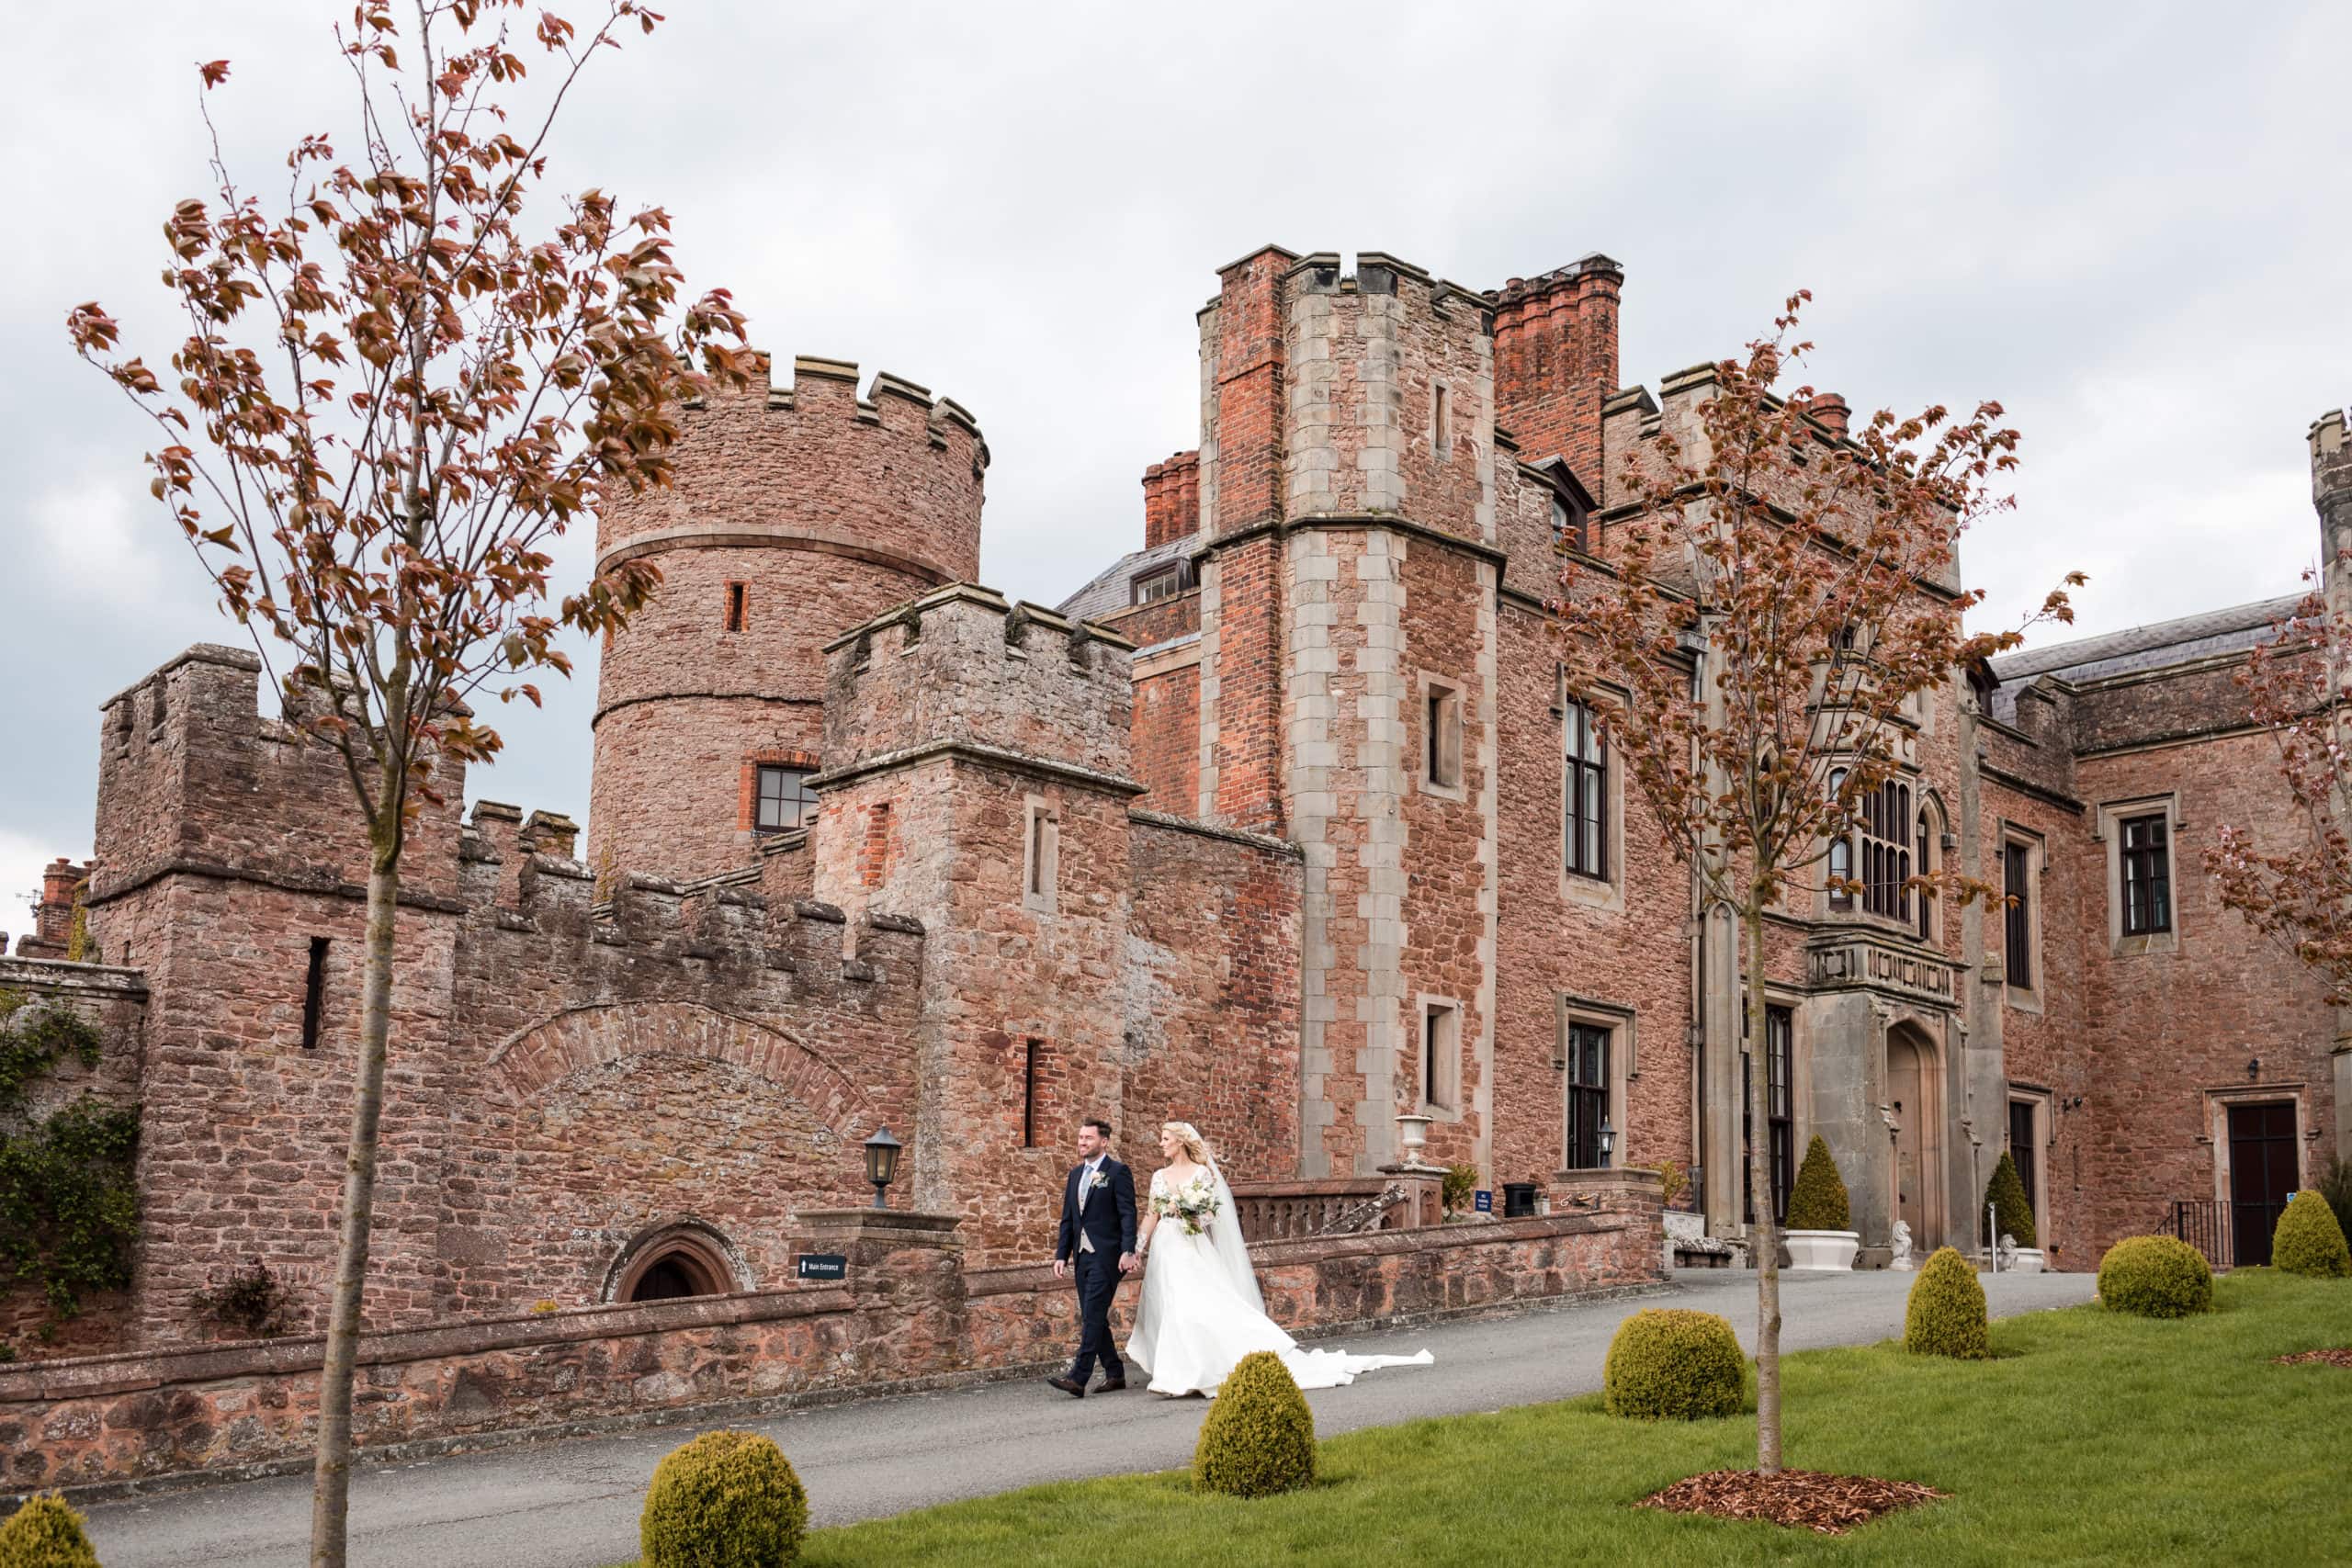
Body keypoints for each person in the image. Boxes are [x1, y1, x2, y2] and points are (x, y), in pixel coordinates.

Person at [1125, 1121, 1431, 1396]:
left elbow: (1209, 1216)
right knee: (1172, 1305)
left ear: (1180, 1141)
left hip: (1190, 1245)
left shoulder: (1202, 1174)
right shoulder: (1158, 1176)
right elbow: (1152, 1214)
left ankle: (1193, 1371)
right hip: (1166, 1247)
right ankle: (1177, 1370)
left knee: (1194, 1304)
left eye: (1165, 1139)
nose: (1161, 1144)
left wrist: (1187, 1211)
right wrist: (1137, 1248)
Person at [1046, 1116, 1138, 1398]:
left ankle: (1078, 1377)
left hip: (1108, 1255)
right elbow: (1068, 1219)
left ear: (1104, 1141)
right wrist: (1062, 1254)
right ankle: (1114, 1373)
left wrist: (1128, 1250)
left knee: (1093, 1315)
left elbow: (1127, 1213)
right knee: (1093, 1315)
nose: (1082, 1142)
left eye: (1088, 1138)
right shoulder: (1075, 1175)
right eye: (1080, 1138)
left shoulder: (1118, 1172)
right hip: (1081, 1256)